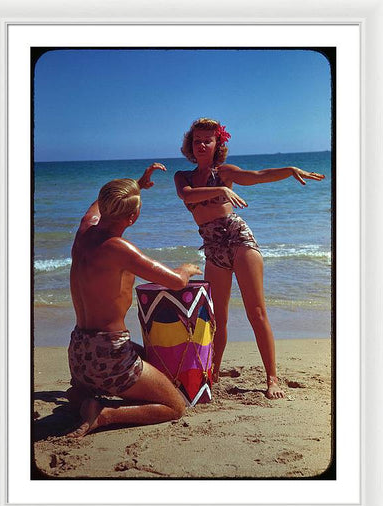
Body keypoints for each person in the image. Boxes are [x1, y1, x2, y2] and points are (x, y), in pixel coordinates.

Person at [174, 118, 325, 399]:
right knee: (216, 318)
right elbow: (187, 196)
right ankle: (214, 370)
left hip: (238, 239)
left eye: (209, 140)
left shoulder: (226, 172)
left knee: (256, 312)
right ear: (190, 145)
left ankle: (272, 378)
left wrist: (289, 170)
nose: (202, 144)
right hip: (212, 246)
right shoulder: (183, 176)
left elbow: (258, 175)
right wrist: (221, 190)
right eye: (197, 140)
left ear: (218, 144)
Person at [66, 163, 201, 438]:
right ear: (133, 217)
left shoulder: (84, 232)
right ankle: (104, 414)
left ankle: (80, 393)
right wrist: (186, 269)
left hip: (79, 352)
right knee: (175, 406)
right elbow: (176, 282)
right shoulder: (120, 249)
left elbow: (98, 205)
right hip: (109, 356)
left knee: (149, 357)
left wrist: (137, 184)